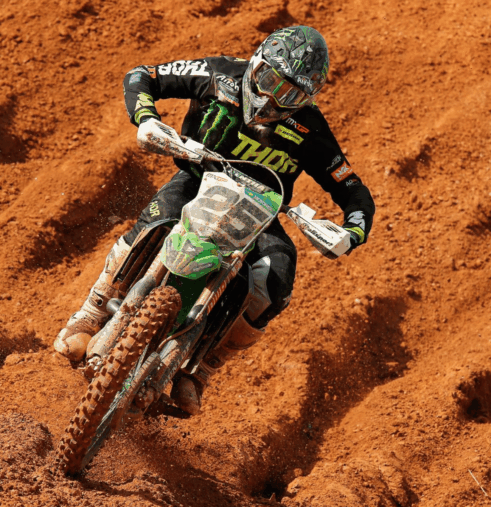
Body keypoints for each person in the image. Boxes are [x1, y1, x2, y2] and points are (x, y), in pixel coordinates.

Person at [54, 26, 375, 415]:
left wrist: (351, 232)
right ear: (256, 63)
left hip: (260, 212)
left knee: (275, 281)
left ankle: (201, 370)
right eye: (270, 80)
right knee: (155, 222)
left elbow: (353, 189)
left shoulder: (311, 129)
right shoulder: (218, 73)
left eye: (290, 94)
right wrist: (147, 118)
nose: (273, 98)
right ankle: (90, 314)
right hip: (197, 179)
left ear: (307, 99)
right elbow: (143, 76)